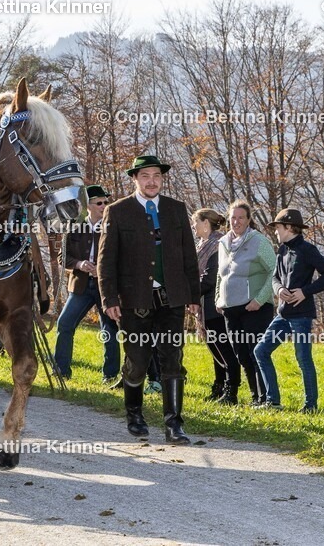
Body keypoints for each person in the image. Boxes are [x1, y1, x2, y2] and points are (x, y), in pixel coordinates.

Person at [98, 155, 200, 445]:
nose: (152, 181)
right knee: (138, 361)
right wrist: (109, 298)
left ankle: (173, 424)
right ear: (135, 179)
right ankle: (134, 414)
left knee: (173, 360)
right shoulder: (118, 212)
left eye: (156, 175)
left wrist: (193, 295)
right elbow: (106, 260)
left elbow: (188, 256)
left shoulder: (176, 210)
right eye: (145, 176)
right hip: (134, 300)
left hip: (172, 299)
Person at [255, 208, 324, 413]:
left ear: (289, 228)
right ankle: (273, 401)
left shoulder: (308, 250)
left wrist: (305, 292)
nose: (275, 231)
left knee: (303, 358)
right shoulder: (282, 250)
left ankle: (310, 406)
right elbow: (274, 278)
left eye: (278, 227)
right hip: (283, 315)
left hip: (302, 315)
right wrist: (279, 289)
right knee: (261, 351)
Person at [53, 185, 120, 383]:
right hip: (80, 287)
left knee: (110, 331)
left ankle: (110, 375)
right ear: (88, 206)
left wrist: (102, 268)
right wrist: (80, 264)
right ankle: (61, 370)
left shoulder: (113, 227)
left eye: (106, 202)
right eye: (99, 203)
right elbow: (62, 257)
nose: (104, 206)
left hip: (105, 288)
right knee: (64, 324)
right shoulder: (74, 226)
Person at [214, 200, 276, 406]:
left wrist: (259, 299)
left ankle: (265, 397)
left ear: (249, 220)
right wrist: (217, 298)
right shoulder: (223, 242)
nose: (236, 221)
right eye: (233, 217)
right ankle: (254, 396)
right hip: (231, 309)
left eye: (241, 217)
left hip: (255, 308)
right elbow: (220, 275)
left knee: (255, 352)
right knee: (241, 354)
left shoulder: (258, 241)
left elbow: (274, 272)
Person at [193, 208, 239, 403]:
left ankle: (231, 390)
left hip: (216, 307)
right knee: (215, 349)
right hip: (205, 307)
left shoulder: (218, 244)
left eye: (195, 222)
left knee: (225, 350)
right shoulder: (202, 245)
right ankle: (218, 387)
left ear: (205, 223)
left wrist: (188, 294)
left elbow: (210, 278)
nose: (193, 226)